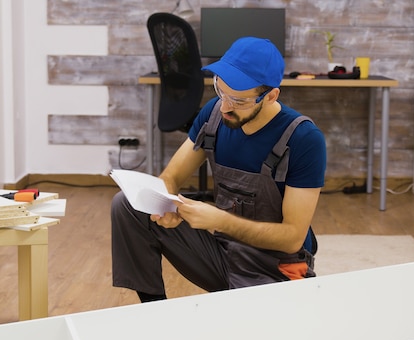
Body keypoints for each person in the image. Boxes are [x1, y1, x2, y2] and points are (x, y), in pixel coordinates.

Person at [111, 37, 326, 303]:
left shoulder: (303, 139)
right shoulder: (214, 114)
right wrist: (162, 206)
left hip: (276, 270)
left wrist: (219, 220)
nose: (225, 107)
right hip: (223, 251)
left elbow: (292, 238)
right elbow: (172, 177)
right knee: (128, 205)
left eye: (238, 100)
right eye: (219, 91)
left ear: (270, 96)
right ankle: (154, 311)